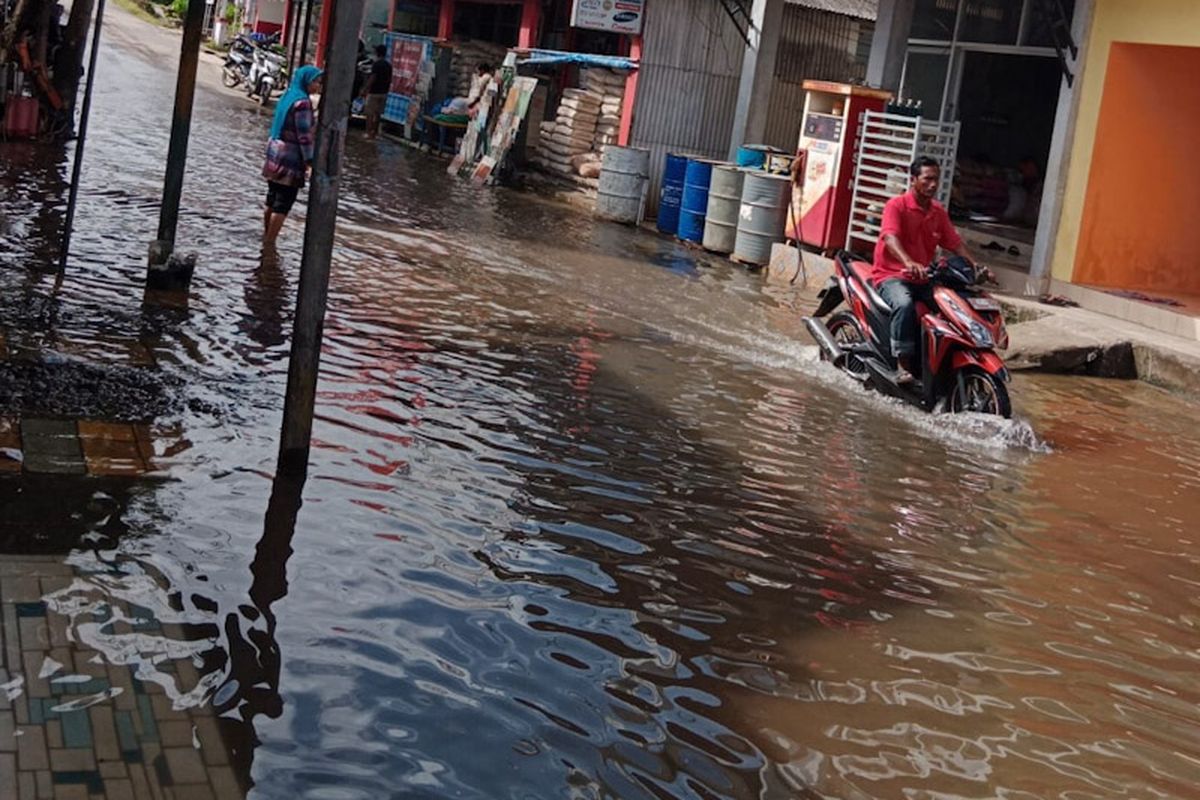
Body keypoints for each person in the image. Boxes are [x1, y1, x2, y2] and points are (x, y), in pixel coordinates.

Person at [872, 156, 979, 385]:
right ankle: (903, 365)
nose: (933, 185)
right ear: (913, 180)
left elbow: (954, 243)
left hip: (924, 278)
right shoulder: (897, 206)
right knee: (904, 304)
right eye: (927, 179)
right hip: (891, 276)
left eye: (936, 180)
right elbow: (890, 238)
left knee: (952, 306)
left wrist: (975, 265)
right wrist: (908, 262)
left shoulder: (938, 212)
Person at [261, 65, 322, 246]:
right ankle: (270, 243)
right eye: (316, 81)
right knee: (283, 203)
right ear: (306, 81)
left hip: (274, 154)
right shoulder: (302, 103)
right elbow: (304, 136)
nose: (318, 86)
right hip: (290, 158)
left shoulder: (287, 95)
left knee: (271, 198)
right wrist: (310, 162)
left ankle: (266, 236)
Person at [362, 44, 392, 140]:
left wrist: (365, 89)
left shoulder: (376, 64)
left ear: (377, 53)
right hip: (384, 93)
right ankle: (374, 133)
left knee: (370, 113)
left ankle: (368, 132)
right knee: (378, 114)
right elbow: (390, 79)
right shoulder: (388, 65)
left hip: (374, 92)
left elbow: (372, 78)